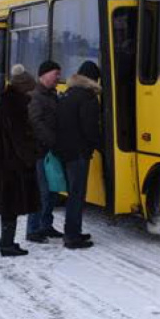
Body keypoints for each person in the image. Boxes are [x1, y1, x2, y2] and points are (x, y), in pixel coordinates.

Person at [0, 65, 39, 257]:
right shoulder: (15, 106)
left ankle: (7, 242)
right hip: (10, 164)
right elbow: (20, 138)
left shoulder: (3, 102)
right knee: (10, 204)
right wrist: (31, 156)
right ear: (23, 87)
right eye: (29, 88)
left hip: (1, 161)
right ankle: (6, 244)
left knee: (8, 204)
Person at [55, 61, 101, 250]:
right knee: (77, 195)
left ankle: (73, 231)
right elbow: (89, 128)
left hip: (66, 151)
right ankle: (72, 236)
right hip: (79, 153)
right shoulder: (88, 97)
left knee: (73, 194)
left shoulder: (68, 94)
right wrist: (99, 145)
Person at [26, 60, 64, 243]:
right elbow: (36, 123)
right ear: (44, 74)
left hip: (51, 151)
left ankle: (46, 225)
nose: (58, 78)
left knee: (52, 191)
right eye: (55, 74)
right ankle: (33, 229)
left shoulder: (51, 95)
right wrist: (53, 141)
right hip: (41, 152)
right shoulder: (35, 96)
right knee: (41, 192)